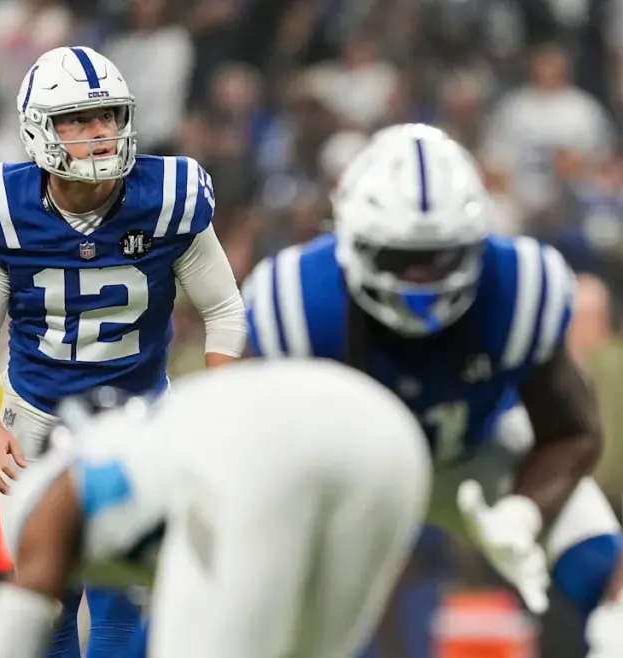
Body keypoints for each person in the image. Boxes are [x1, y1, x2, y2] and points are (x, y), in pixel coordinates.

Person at [243, 123, 623, 658]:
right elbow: (251, 455)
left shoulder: (519, 288)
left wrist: (525, 512)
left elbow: (572, 433)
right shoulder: (298, 304)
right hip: (347, 482)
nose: (419, 281)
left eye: (441, 256)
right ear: (350, 240)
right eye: (398, 257)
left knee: (609, 584)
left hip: (476, 459)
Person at [0, 45, 247, 657]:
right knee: (48, 605)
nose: (101, 132)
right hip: (36, 421)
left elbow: (224, 311)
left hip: (138, 417)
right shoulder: (2, 207)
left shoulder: (167, 197)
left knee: (124, 598)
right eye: (79, 120)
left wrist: (222, 411)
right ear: (39, 130)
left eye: (109, 115)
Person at [0, 360, 432, 658]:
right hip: (387, 436)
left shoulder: (56, 483)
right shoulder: (166, 431)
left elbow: (27, 600)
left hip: (250, 463)